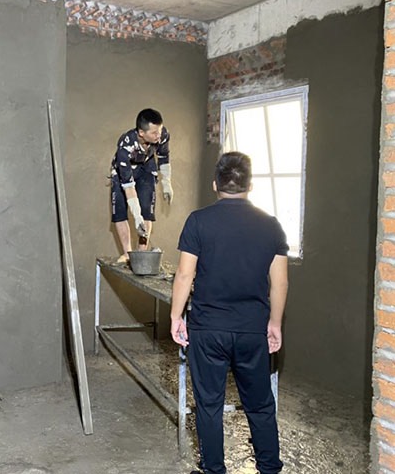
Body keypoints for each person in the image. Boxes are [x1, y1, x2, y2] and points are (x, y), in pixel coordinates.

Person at [169, 152, 289, 474]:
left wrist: (176, 317)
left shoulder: (198, 221)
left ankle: (214, 469)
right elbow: (280, 283)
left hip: (208, 329)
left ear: (215, 185)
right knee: (260, 405)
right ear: (251, 185)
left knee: (209, 405)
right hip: (252, 330)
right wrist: (275, 323)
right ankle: (269, 468)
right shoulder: (271, 226)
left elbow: (184, 275)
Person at [110, 108, 173, 262]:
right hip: (123, 171)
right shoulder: (125, 146)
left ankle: (141, 254)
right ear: (141, 133)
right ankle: (127, 253)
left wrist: (166, 183)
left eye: (159, 130)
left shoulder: (162, 135)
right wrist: (136, 216)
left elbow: (164, 157)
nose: (158, 135)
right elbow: (129, 187)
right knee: (119, 212)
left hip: (146, 165)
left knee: (146, 210)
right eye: (154, 133)